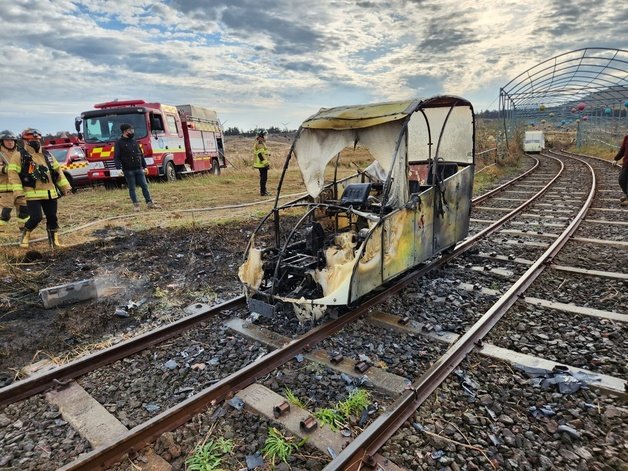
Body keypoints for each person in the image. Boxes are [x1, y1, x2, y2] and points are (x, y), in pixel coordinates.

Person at [8, 128, 72, 248]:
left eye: (37, 139)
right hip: (32, 193)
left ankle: (54, 242)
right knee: (36, 217)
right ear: (25, 141)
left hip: (50, 192)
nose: (35, 141)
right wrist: (18, 192)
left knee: (52, 217)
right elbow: (13, 175)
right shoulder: (19, 156)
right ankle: (25, 234)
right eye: (31, 139)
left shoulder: (47, 154)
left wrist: (65, 187)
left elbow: (58, 171)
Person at [113, 123, 156, 211]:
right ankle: (136, 205)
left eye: (132, 130)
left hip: (138, 168)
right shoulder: (118, 143)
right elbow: (116, 156)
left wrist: (145, 166)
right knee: (132, 188)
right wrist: (118, 168)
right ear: (125, 131)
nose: (132, 132)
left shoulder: (134, 141)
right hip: (128, 170)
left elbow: (140, 154)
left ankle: (150, 203)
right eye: (130, 130)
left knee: (144, 186)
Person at [0, 130, 29, 232]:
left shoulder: (20, 152)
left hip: (19, 188)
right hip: (5, 190)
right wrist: (6, 169)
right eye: (7, 140)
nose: (10, 142)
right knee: (4, 214)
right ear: (2, 141)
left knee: (24, 211)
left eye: (12, 140)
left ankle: (24, 232)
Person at [253, 130, 271, 196]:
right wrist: (266, 164)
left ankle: (264, 191)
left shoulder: (262, 143)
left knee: (264, 178)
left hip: (262, 164)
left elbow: (264, 153)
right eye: (265, 136)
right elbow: (260, 155)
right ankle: (263, 192)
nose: (266, 137)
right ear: (261, 137)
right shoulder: (259, 144)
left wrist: (268, 154)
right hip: (262, 164)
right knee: (263, 178)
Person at [613, 134, 628, 206]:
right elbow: (622, 150)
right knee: (621, 180)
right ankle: (627, 195)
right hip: (626, 163)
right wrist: (616, 159)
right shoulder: (626, 137)